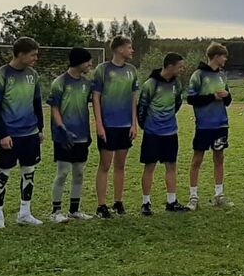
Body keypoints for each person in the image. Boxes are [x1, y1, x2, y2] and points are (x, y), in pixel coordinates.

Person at [0, 37, 44, 228]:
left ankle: (24, 213)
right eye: (33, 55)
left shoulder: (33, 75)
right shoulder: (1, 76)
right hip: (10, 135)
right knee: (3, 175)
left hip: (30, 133)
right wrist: (2, 134)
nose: (36, 58)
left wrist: (40, 128)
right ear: (20, 54)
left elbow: (37, 103)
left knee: (29, 172)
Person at [93, 35, 140, 218]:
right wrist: (99, 124)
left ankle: (118, 202)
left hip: (125, 126)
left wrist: (134, 124)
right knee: (105, 165)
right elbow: (96, 97)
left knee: (121, 165)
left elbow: (133, 99)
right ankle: (101, 206)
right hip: (108, 126)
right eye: (129, 47)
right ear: (120, 49)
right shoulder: (102, 69)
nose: (132, 50)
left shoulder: (131, 70)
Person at [48, 47, 95, 223]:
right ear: (78, 62)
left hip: (82, 135)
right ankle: (56, 211)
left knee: (79, 172)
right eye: (88, 61)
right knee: (62, 173)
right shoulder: (59, 82)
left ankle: (75, 210)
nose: (90, 64)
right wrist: (62, 128)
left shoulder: (87, 84)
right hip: (64, 136)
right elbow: (54, 108)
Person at [138, 52, 186, 215]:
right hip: (152, 133)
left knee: (171, 166)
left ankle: (172, 201)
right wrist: (146, 126)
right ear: (170, 66)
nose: (182, 70)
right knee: (149, 167)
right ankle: (146, 203)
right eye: (180, 67)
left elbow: (178, 103)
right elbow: (142, 108)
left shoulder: (177, 84)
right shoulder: (150, 84)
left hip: (170, 132)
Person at [187, 42, 233, 209]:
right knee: (197, 160)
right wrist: (212, 97)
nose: (226, 59)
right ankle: (193, 197)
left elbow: (227, 102)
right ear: (216, 56)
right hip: (204, 126)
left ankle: (219, 195)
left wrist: (227, 96)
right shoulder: (198, 75)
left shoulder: (222, 76)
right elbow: (191, 99)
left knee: (219, 158)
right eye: (224, 56)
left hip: (221, 125)